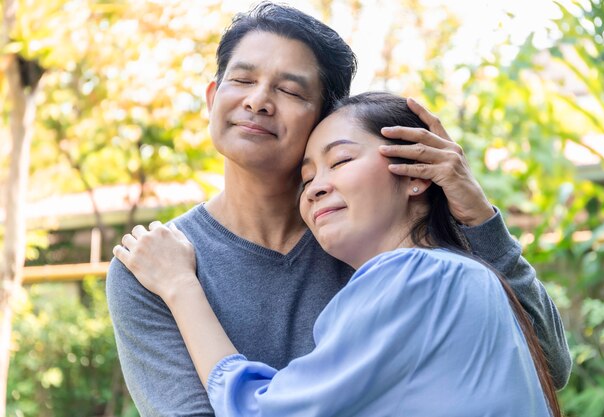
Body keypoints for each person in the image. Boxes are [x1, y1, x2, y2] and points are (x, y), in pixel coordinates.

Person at [106, 2, 570, 416]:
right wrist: (180, 285)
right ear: (213, 98)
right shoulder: (151, 266)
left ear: (325, 117)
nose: (257, 101)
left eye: (289, 90)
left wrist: (479, 220)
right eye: (242, 80)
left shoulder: (375, 242)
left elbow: (544, 361)